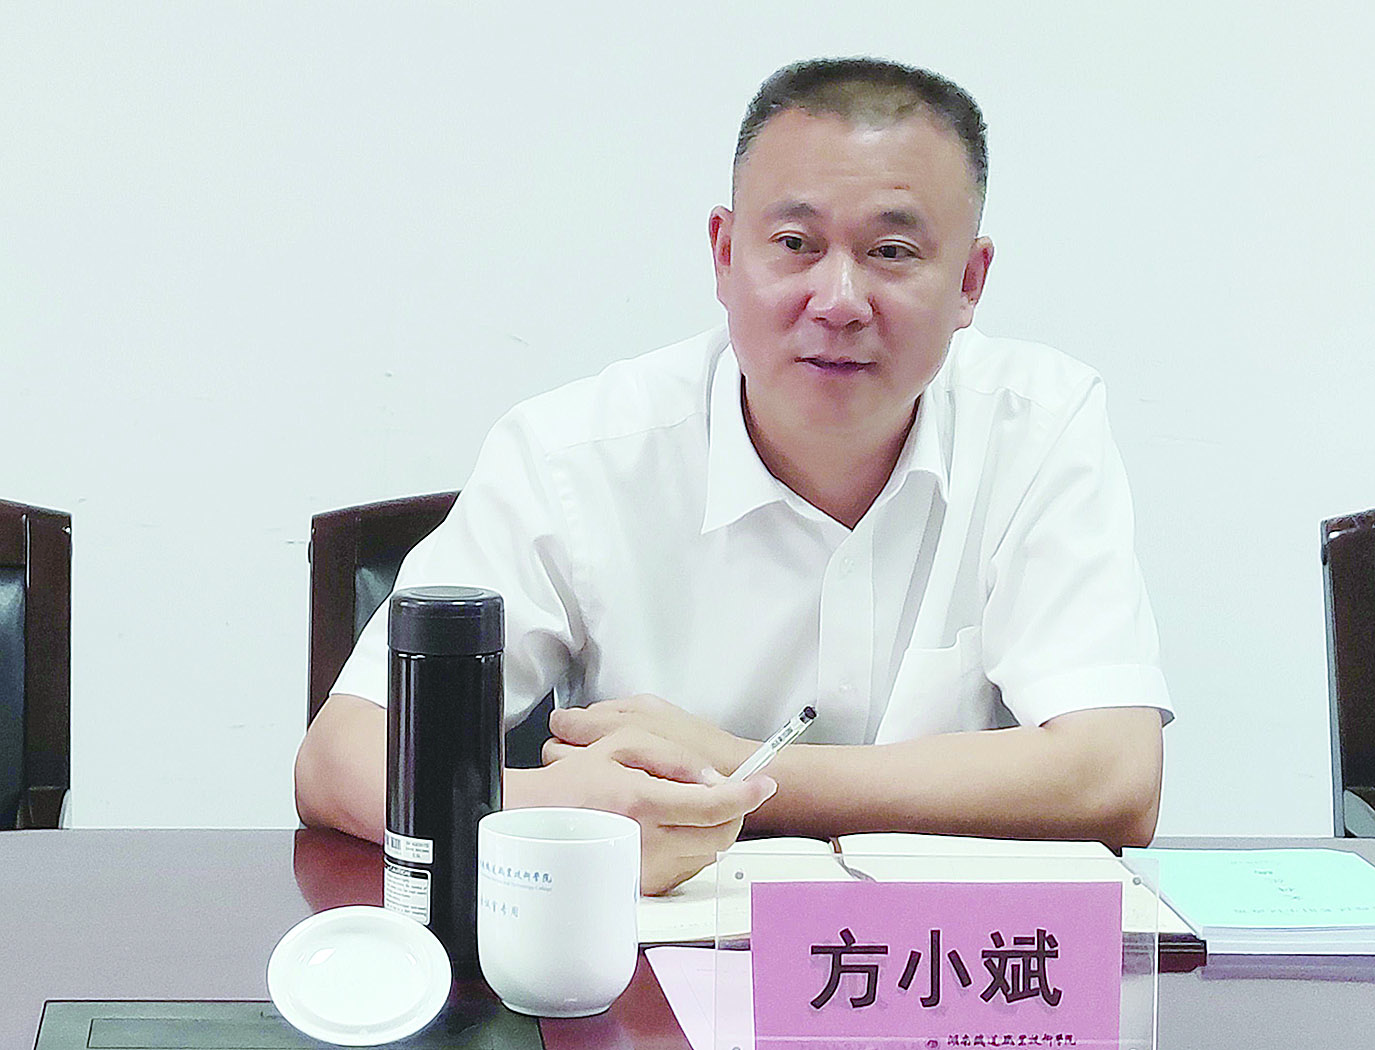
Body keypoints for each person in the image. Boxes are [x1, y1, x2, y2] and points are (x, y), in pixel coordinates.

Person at [295, 57, 1172, 894]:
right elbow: (339, 757)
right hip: (655, 969)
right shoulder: (575, 454)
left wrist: (734, 770)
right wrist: (549, 809)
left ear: (970, 281)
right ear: (723, 254)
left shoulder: (1037, 427)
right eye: (794, 243)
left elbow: (1115, 777)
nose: (838, 300)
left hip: (941, 970)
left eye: (892, 252)